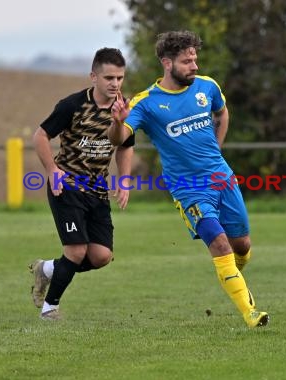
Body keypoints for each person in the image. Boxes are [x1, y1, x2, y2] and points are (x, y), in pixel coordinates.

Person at [108, 31, 269, 328]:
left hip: (223, 180)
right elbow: (120, 139)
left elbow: (222, 112)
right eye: (187, 61)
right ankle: (251, 313)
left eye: (195, 59)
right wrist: (117, 121)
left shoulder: (207, 87)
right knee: (220, 244)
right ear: (167, 63)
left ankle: (234, 275)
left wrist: (216, 150)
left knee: (241, 245)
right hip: (189, 190)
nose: (194, 66)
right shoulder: (145, 103)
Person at [30, 47, 134, 321]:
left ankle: (49, 270)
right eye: (109, 78)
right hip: (67, 187)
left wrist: (124, 180)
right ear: (93, 77)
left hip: (98, 190)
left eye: (120, 78)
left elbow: (123, 145)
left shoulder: (123, 108)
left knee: (101, 256)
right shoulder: (72, 105)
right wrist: (52, 170)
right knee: (76, 251)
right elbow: (40, 136)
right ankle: (49, 308)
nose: (115, 84)